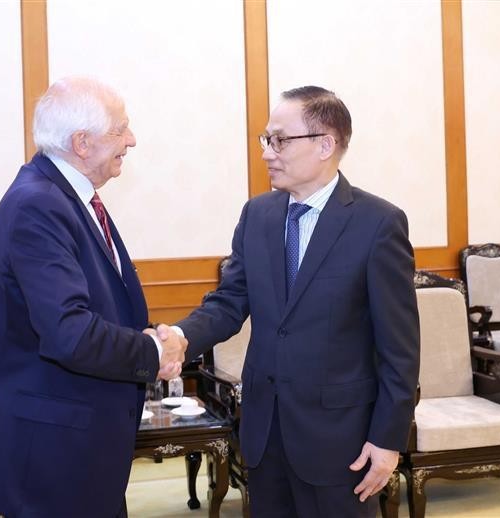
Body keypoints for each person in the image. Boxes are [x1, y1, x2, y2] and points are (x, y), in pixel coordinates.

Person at [161, 86, 420, 517]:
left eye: (280, 140)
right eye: (266, 139)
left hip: (343, 442)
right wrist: (181, 337)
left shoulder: (378, 225)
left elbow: (400, 349)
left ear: (325, 145)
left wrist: (388, 440)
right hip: (265, 434)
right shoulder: (257, 215)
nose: (267, 152)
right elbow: (230, 301)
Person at [0, 76, 186, 518]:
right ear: (82, 142)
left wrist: (143, 338)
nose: (132, 140)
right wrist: (152, 349)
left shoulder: (65, 196)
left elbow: (89, 306)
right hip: (50, 451)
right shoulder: (39, 204)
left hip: (75, 442)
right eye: (120, 129)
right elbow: (68, 333)